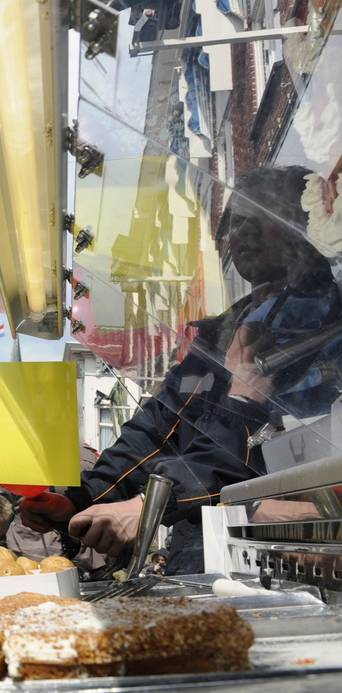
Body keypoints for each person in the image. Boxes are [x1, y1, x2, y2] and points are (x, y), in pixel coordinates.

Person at [22, 166, 342, 574]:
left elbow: (260, 447)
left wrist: (152, 503)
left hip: (291, 553)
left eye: (260, 216)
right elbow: (162, 425)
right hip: (209, 542)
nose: (243, 232)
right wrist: (86, 496)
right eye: (236, 221)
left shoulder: (322, 322)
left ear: (303, 224)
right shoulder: (226, 329)